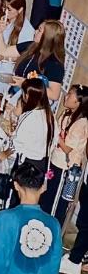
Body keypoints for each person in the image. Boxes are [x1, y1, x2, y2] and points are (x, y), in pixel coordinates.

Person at [45, 84, 88, 224]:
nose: (66, 96)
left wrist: (55, 132)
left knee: (56, 204)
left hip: (65, 169)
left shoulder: (81, 123)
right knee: (47, 197)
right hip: (55, 162)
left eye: (70, 94)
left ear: (78, 101)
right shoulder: (66, 114)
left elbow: (67, 148)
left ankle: (52, 230)